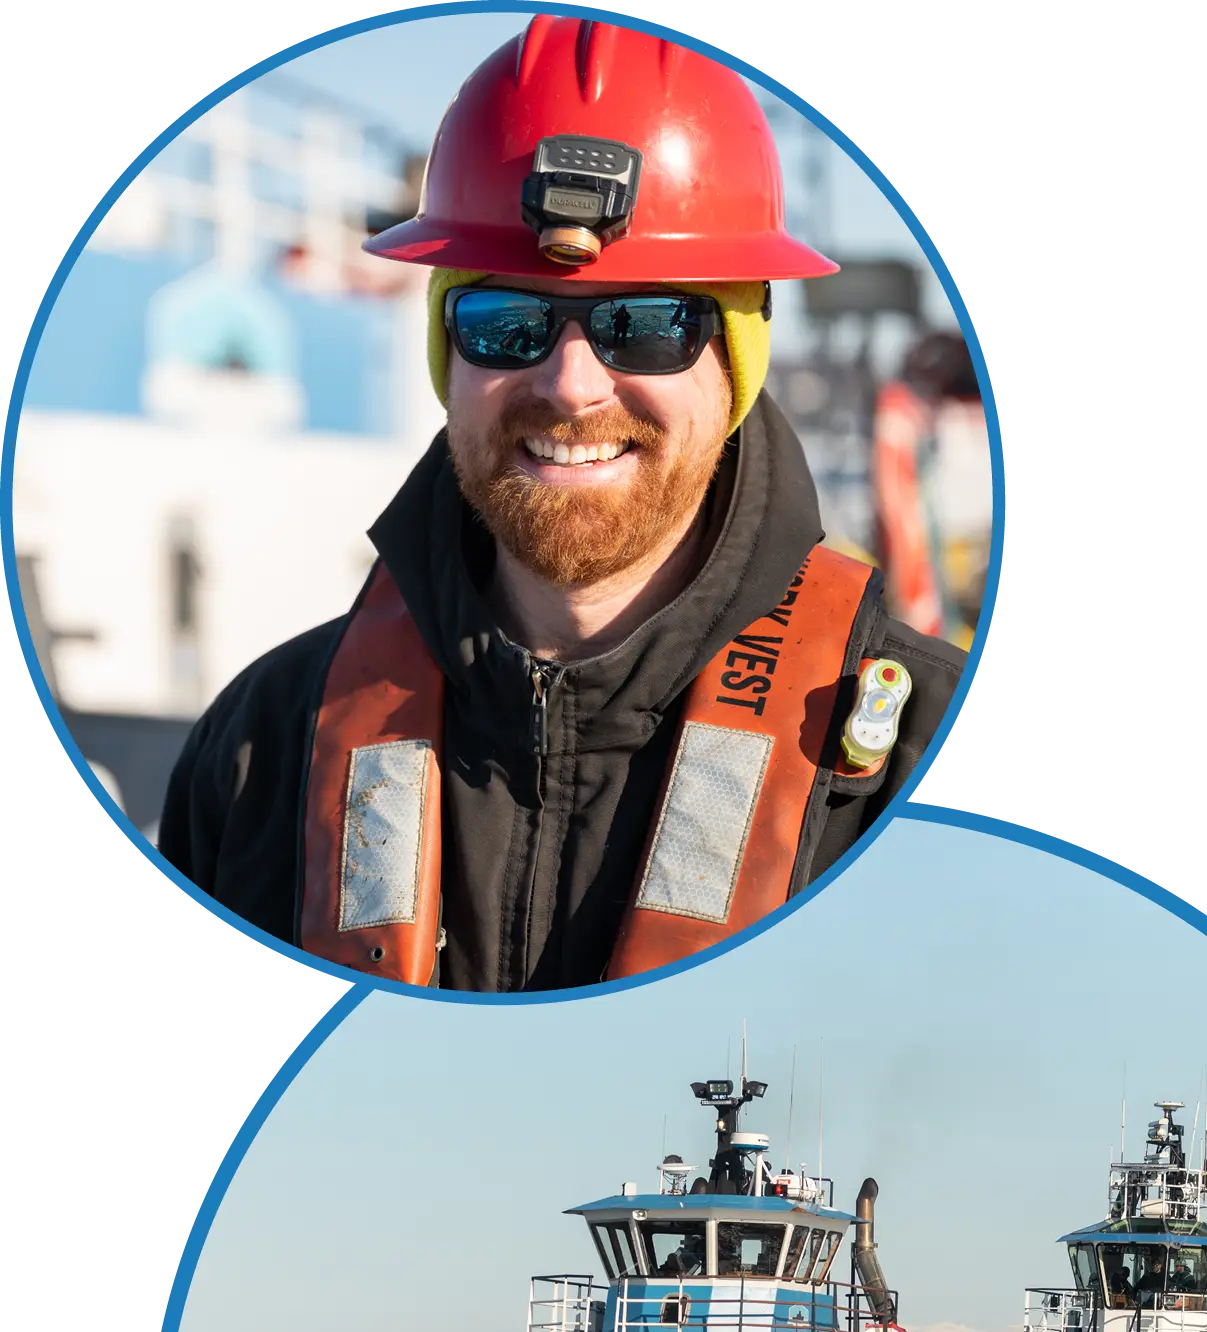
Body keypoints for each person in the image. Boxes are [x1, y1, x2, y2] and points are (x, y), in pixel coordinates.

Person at [158, 17, 969, 990]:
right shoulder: (261, 752)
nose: (574, 385)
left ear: (739, 358)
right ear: (446, 351)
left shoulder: (919, 766)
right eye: (508, 321)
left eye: (648, 324)